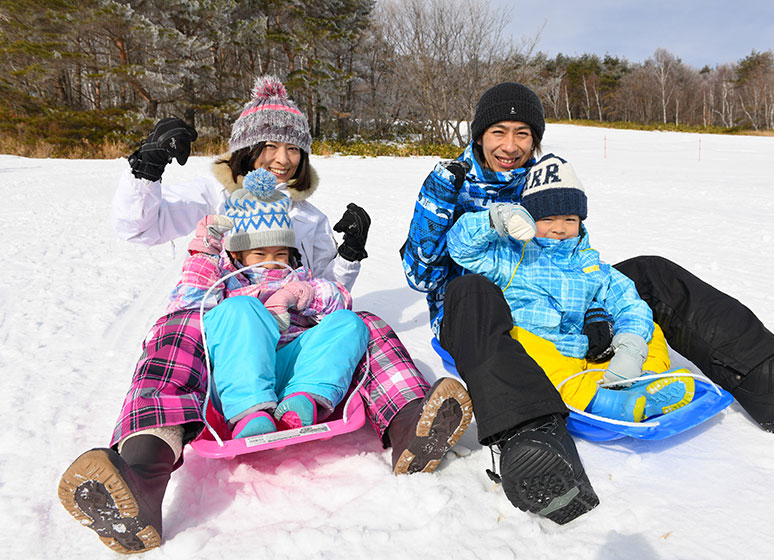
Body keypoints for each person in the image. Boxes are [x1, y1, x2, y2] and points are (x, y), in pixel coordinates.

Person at [57, 76, 472, 554]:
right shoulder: (211, 200)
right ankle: (142, 471)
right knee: (179, 328)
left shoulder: (308, 216)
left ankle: (409, 424)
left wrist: (348, 256)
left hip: (294, 343)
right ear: (244, 150)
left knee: (367, 324)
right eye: (269, 145)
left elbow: (325, 289)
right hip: (225, 349)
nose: (282, 158)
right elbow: (139, 228)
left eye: (293, 148)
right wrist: (145, 173)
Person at [401, 81, 774, 526]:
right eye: (498, 132)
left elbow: (576, 256)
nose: (510, 146)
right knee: (472, 289)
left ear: (535, 138)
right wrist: (441, 203)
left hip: (556, 304)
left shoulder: (545, 177)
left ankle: (769, 377)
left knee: (647, 273)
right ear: (479, 135)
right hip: (474, 311)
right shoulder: (451, 181)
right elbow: (420, 276)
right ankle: (532, 438)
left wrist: (594, 311)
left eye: (522, 133)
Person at [446, 154, 694, 423]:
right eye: (548, 220)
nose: (559, 229)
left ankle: (642, 382)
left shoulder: (591, 264)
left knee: (648, 328)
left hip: (589, 352)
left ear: (580, 221)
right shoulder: (511, 258)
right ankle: (600, 402)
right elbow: (461, 248)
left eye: (569, 220)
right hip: (547, 353)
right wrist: (497, 219)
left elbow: (628, 302)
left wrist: (630, 348)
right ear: (530, 218)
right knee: (521, 344)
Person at [168, 168, 369, 438]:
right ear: (238, 253)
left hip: (289, 365)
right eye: (259, 253)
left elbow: (339, 299)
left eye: (280, 252)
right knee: (242, 309)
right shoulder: (226, 279)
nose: (271, 259)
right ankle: (250, 413)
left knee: (350, 323)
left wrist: (298, 293)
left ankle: (301, 399)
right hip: (237, 372)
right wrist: (204, 253)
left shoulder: (296, 276)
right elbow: (188, 306)